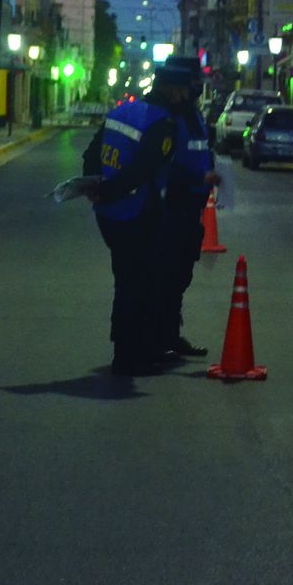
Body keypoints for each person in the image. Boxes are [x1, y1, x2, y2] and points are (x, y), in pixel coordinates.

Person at [81, 71, 186, 376]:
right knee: (137, 284)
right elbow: (144, 170)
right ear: (172, 91)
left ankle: (127, 350)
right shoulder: (162, 124)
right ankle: (129, 355)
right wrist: (108, 190)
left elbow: (91, 154)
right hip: (136, 214)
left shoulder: (122, 111)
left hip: (109, 214)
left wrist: (95, 187)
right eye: (182, 91)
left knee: (125, 280)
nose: (184, 98)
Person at [157, 55, 223, 359]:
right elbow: (165, 163)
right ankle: (158, 337)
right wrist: (200, 175)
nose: (198, 85)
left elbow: (200, 149)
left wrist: (211, 171)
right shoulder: (166, 115)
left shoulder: (192, 113)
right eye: (193, 81)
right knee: (166, 274)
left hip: (193, 204)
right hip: (172, 205)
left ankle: (170, 334)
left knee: (181, 274)